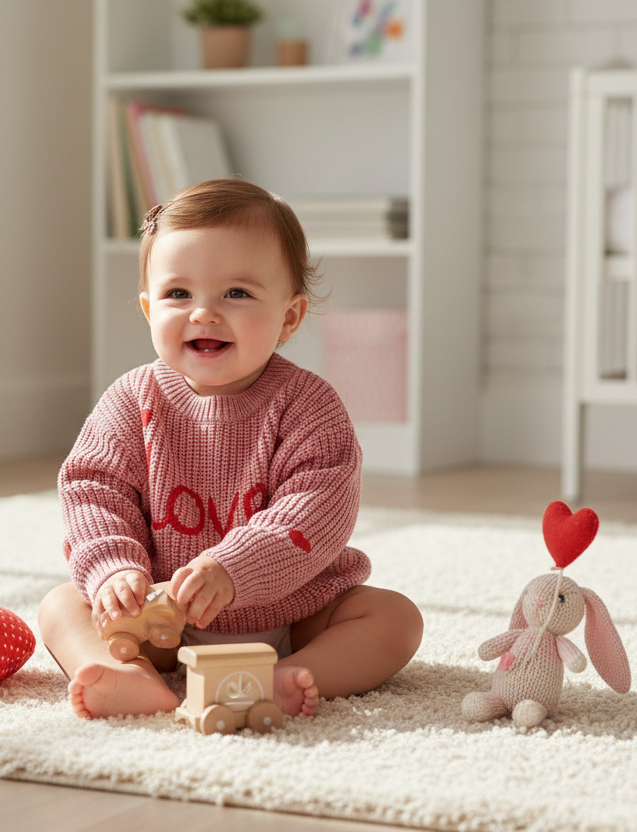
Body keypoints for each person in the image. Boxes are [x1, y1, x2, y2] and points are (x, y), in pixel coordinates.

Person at [38, 178, 423, 720]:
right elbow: (93, 489)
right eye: (178, 294)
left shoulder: (310, 405)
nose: (203, 313)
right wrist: (115, 570)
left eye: (236, 293)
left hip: (294, 615)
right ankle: (130, 676)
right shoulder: (131, 399)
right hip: (164, 621)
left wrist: (232, 568)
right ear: (149, 309)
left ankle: (284, 676)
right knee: (61, 606)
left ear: (289, 317)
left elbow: (315, 512)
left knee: (396, 618)